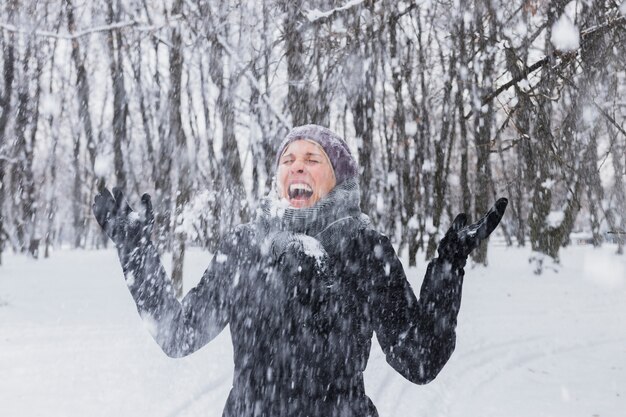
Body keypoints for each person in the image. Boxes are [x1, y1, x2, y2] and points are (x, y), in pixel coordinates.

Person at [93, 124, 507, 417]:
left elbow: (419, 360)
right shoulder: (245, 247)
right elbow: (177, 334)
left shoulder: (364, 249)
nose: (297, 166)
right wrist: (135, 249)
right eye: (288, 159)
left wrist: (449, 265)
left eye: (313, 158)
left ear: (338, 177)